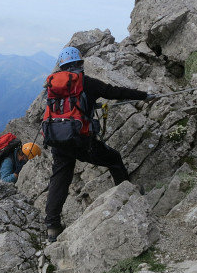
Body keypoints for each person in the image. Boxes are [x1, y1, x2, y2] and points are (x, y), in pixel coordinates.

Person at [44, 46, 156, 242]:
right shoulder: (86, 83)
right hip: (80, 141)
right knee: (113, 159)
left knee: (60, 179)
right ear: (80, 63)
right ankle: (128, 194)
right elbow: (115, 92)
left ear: (62, 67)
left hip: (58, 141)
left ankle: (52, 226)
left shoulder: (53, 86)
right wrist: (143, 96)